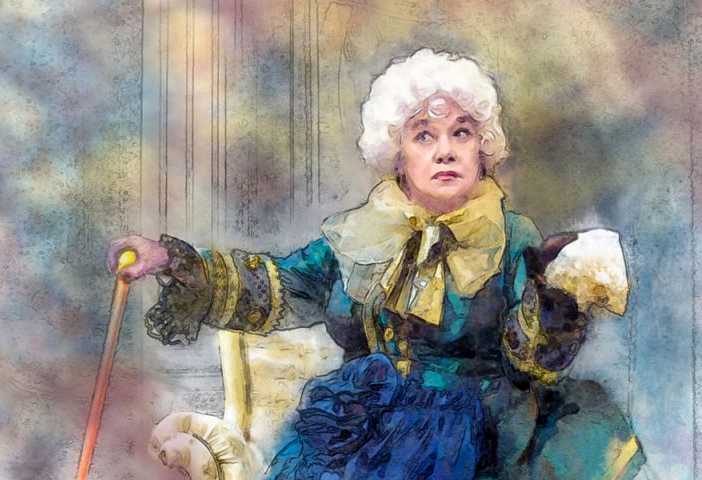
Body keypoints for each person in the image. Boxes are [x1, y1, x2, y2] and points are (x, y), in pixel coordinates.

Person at [108, 49, 644, 479]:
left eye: (461, 132)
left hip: (474, 433)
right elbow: (278, 287)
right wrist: (172, 261)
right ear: (398, 154)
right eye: (424, 135)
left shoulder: (511, 236)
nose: (445, 150)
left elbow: (530, 361)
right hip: (359, 421)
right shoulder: (358, 234)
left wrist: (556, 295)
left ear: (482, 149)